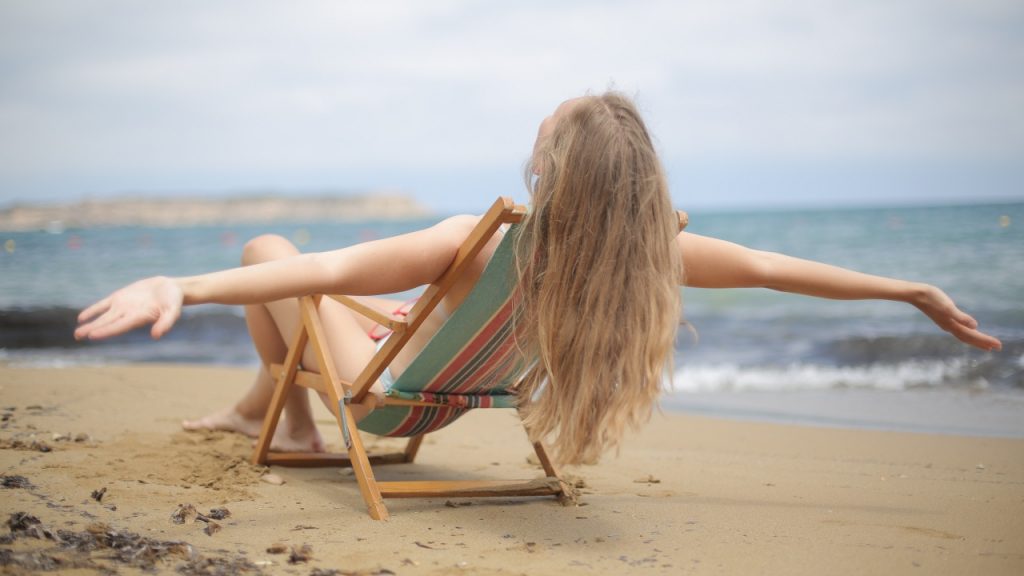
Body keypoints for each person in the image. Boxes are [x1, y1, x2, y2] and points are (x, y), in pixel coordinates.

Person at [74, 92, 1001, 464]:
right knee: (333, 292)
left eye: (546, 136)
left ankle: (295, 426)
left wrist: (181, 287)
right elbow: (770, 269)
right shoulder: (646, 257)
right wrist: (908, 290)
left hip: (386, 399)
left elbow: (324, 267)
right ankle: (256, 407)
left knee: (271, 254)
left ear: (554, 171)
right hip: (464, 394)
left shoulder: (476, 240)